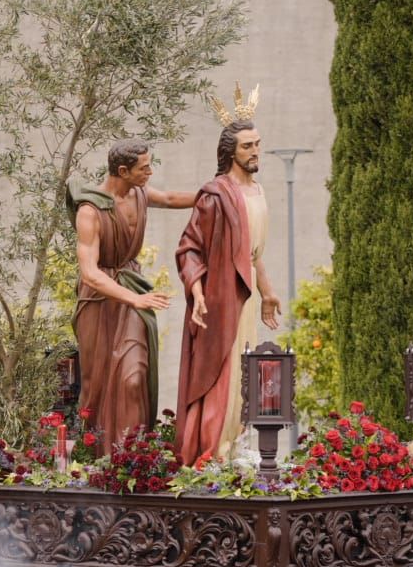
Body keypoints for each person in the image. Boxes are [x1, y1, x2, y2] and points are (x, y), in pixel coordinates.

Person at [174, 97, 286, 466]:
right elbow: (190, 249)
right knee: (223, 371)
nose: (255, 151)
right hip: (220, 295)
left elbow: (252, 254)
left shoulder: (258, 191)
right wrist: (197, 293)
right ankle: (213, 453)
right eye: (247, 146)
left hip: (246, 293)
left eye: (257, 144)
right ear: (230, 152)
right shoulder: (216, 195)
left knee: (243, 370)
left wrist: (267, 292)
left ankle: (236, 446)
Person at [69, 139, 195, 453]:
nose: (150, 173)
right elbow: (90, 274)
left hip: (130, 293)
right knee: (97, 386)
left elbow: (170, 198)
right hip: (99, 304)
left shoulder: (139, 193)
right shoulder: (90, 210)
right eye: (144, 168)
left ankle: (134, 454)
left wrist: (216, 193)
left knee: (134, 377)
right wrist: (134, 299)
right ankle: (101, 457)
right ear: (123, 171)